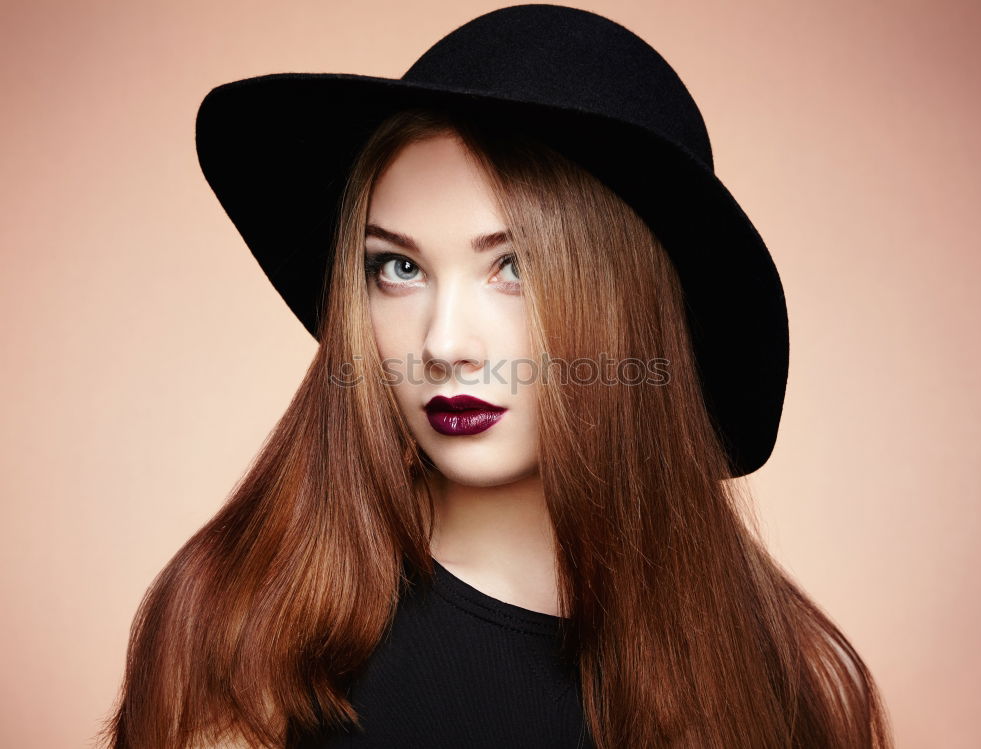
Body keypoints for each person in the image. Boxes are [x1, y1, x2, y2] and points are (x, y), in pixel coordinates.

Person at [101, 5, 894, 748]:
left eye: (512, 266)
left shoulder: (789, 675)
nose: (444, 342)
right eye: (399, 266)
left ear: (631, 302)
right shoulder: (246, 638)